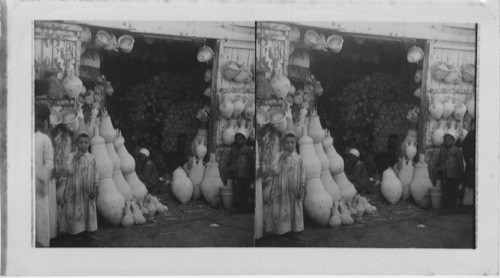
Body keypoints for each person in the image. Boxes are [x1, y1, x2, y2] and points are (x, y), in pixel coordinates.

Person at [266, 131, 306, 242]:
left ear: (295, 143)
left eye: (292, 142)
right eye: (287, 142)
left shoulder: (299, 158)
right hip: (281, 189)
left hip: (294, 189)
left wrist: (301, 187)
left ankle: (294, 233)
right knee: (281, 209)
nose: (290, 145)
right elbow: (275, 171)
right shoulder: (278, 155)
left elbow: (302, 173)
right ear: (283, 143)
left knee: (294, 209)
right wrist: (281, 159)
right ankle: (280, 233)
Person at [62, 132, 99, 240]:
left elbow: (96, 174)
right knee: (75, 209)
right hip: (75, 189)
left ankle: (88, 233)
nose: (83, 145)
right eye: (81, 143)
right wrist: (75, 159)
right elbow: (68, 171)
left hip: (87, 189)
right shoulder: (72, 156)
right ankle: (74, 233)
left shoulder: (92, 158)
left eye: (86, 143)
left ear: (89, 144)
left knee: (88, 208)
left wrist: (95, 187)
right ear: (77, 144)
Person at [34, 103, 57, 247]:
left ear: (39, 120)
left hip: (39, 184)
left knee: (41, 214)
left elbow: (49, 163)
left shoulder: (44, 139)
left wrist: (41, 178)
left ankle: (42, 244)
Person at [226, 131, 255, 213]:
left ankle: (245, 208)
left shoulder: (248, 149)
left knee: (246, 191)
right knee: (237, 191)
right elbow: (230, 160)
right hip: (236, 174)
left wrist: (252, 175)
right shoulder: (233, 149)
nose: (239, 141)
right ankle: (238, 207)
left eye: (241, 139)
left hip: (245, 174)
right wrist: (230, 168)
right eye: (237, 139)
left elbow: (251, 163)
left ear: (245, 140)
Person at [436, 131, 464, 210]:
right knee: (445, 191)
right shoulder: (443, 150)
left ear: (453, 141)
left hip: (454, 175)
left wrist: (460, 177)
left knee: (454, 191)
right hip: (445, 174)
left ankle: (453, 208)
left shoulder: (457, 150)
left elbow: (460, 163)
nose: (447, 142)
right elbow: (440, 161)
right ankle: (446, 207)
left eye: (449, 140)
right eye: (446, 140)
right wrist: (439, 172)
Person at [460, 122, 475, 207]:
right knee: (469, 181)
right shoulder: (471, 134)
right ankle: (467, 203)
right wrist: (469, 158)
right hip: (471, 163)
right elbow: (464, 146)